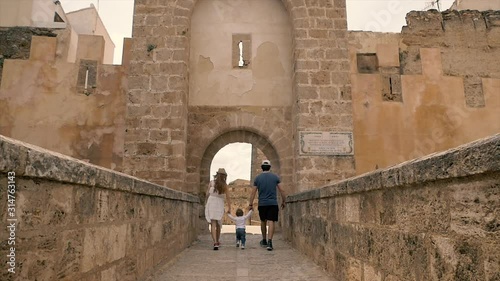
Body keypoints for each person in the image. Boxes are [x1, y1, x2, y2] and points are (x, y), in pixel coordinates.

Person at [249, 160, 286, 251]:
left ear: (262, 167)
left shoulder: (257, 178)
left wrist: (250, 204)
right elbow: (282, 190)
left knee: (263, 221)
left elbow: (253, 192)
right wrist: (284, 201)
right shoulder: (275, 177)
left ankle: (264, 240)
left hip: (262, 203)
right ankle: (270, 242)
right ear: (270, 167)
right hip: (273, 203)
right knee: (271, 221)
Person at [205, 168, 231, 250]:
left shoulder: (212, 183)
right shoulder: (224, 185)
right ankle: (218, 240)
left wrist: (206, 202)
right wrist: (229, 207)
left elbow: (207, 194)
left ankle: (215, 242)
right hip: (219, 203)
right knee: (219, 223)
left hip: (211, 202)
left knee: (213, 224)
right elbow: (228, 198)